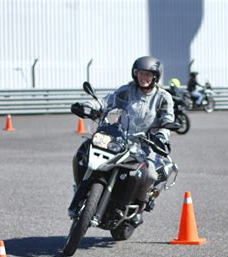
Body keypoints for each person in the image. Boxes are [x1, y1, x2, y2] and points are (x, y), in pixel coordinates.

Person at [68, 56, 174, 225]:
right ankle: (82, 187)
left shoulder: (163, 97)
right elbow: (107, 102)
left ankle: (139, 208)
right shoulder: (127, 90)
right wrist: (88, 105)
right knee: (86, 149)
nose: (143, 78)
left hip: (146, 143)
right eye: (140, 73)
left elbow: (167, 119)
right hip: (120, 136)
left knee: (150, 173)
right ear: (135, 74)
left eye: (148, 74)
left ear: (155, 77)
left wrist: (162, 135)